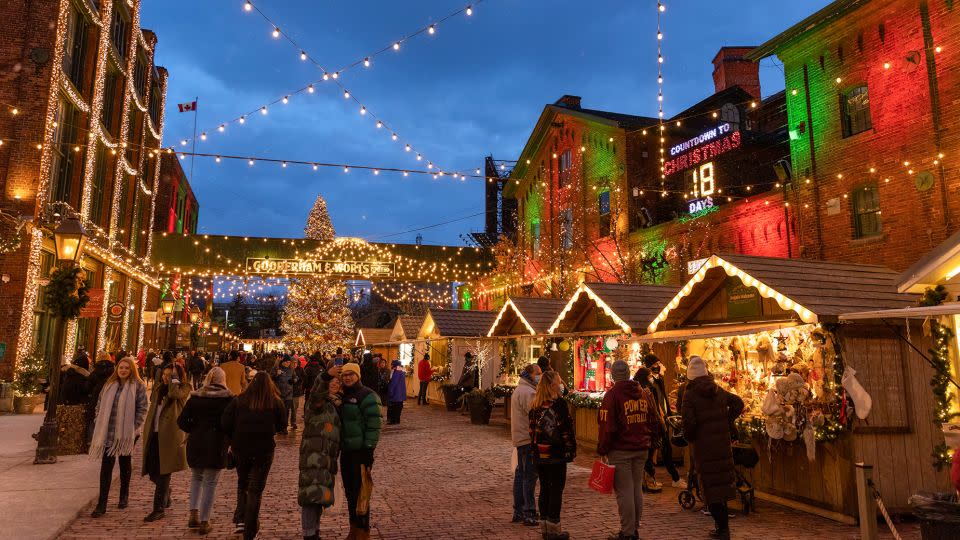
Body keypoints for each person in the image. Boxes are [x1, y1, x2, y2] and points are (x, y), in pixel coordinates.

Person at [681, 356, 745, 540]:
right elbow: (738, 403)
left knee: (711, 486)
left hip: (704, 446)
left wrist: (690, 437)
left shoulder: (689, 394)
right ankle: (722, 527)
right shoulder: (718, 390)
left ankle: (722, 530)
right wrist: (726, 419)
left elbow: (689, 423)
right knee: (721, 485)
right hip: (722, 445)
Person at [599, 360, 661, 540]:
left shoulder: (612, 396)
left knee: (624, 491)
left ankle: (627, 532)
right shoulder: (642, 393)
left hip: (621, 449)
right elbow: (653, 419)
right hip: (641, 447)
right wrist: (650, 440)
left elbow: (607, 426)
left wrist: (603, 448)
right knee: (635, 489)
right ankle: (633, 529)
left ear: (613, 375)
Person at [222, 372, 286, 539]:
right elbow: (282, 425)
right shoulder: (275, 402)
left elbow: (225, 423)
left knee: (243, 484)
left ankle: (241, 521)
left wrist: (233, 438)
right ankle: (249, 529)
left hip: (240, 448)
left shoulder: (238, 400)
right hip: (263, 450)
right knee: (255, 490)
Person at [324, 362, 382, 540]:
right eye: (345, 375)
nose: (348, 377)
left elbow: (374, 425)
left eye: (351, 374)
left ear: (358, 376)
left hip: (361, 452)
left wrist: (369, 448)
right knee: (350, 492)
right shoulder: (343, 395)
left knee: (361, 493)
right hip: (346, 451)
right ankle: (353, 528)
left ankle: (363, 531)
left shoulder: (368, 396)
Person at [88, 356, 148, 518]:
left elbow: (143, 408)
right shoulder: (109, 385)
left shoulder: (138, 386)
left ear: (132, 370)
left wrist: (134, 427)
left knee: (124, 463)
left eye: (126, 368)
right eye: (121, 367)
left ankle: (124, 495)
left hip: (127, 433)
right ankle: (102, 504)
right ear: (117, 369)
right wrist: (98, 419)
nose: (123, 370)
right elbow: (99, 405)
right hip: (108, 431)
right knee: (106, 466)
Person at [177, 367, 233, 535]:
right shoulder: (229, 399)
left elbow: (181, 421)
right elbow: (231, 423)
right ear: (223, 380)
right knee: (210, 483)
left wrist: (194, 428)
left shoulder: (196, 397)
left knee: (196, 478)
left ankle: (193, 513)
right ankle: (204, 519)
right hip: (216, 444)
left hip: (196, 442)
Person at [529, 370, 575, 540]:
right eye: (558, 381)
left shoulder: (535, 406)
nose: (561, 384)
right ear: (552, 385)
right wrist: (570, 449)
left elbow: (532, 432)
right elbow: (565, 430)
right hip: (556, 454)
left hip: (540, 455)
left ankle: (545, 530)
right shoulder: (559, 405)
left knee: (544, 490)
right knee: (556, 490)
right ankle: (554, 531)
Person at [142, 362, 191, 522]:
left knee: (164, 473)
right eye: (164, 374)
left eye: (170, 375)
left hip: (169, 436)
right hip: (154, 434)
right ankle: (165, 492)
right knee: (152, 471)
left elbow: (175, 395)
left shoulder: (184, 388)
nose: (165, 378)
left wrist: (174, 382)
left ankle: (158, 509)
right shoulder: (158, 389)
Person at [298, 368, 343, 540]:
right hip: (313, 455)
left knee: (318, 497)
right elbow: (316, 392)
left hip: (327, 457)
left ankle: (314, 532)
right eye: (331, 382)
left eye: (337, 382)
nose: (335, 384)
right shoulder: (317, 403)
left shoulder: (336, 403)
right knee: (311, 496)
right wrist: (325, 376)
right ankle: (309, 535)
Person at [636, 355, 684, 490]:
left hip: (661, 419)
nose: (660, 365)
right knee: (651, 451)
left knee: (664, 449)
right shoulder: (643, 379)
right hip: (653, 420)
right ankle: (651, 481)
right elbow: (650, 402)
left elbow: (662, 398)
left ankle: (673, 478)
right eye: (657, 363)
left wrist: (668, 413)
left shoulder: (658, 380)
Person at [511, 363, 542, 526]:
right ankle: (528, 511)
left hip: (520, 437)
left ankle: (518, 510)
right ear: (530, 374)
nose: (539, 376)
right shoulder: (528, 392)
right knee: (528, 476)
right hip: (527, 438)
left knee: (521, 474)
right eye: (538, 373)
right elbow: (535, 414)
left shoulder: (521, 389)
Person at [86, 351, 116, 446]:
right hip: (110, 398)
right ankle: (106, 441)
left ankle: (91, 442)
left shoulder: (95, 371)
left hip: (96, 398)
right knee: (108, 419)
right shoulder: (114, 371)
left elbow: (87, 387)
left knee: (93, 418)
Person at [272, 355, 296, 433]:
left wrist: (293, 380)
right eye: (286, 362)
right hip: (279, 393)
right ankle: (278, 426)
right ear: (283, 362)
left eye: (289, 362)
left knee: (286, 411)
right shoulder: (276, 368)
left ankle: (284, 427)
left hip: (288, 394)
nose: (287, 363)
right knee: (278, 411)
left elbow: (296, 378)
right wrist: (277, 375)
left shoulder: (291, 370)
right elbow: (271, 378)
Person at [386, 359, 406, 425]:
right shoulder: (401, 371)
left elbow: (393, 383)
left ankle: (393, 420)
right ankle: (397, 420)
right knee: (399, 407)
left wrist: (390, 392)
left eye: (392, 364)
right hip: (400, 394)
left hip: (396, 394)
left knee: (394, 408)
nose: (391, 365)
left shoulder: (396, 372)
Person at [291, 356, 306, 430]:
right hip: (288, 391)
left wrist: (299, 382)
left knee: (295, 408)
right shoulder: (288, 370)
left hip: (296, 391)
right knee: (286, 408)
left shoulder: (300, 369)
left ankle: (293, 422)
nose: (294, 364)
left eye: (295, 363)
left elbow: (304, 377)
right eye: (293, 363)